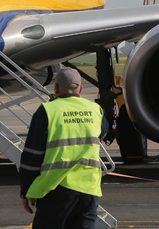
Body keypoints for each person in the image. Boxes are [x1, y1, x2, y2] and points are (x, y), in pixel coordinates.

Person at [19, 67, 108, 229]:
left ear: (56, 87)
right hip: (88, 189)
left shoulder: (48, 110)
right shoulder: (95, 110)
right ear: (80, 88)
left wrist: (26, 191)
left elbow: (32, 155)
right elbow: (103, 133)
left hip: (56, 188)